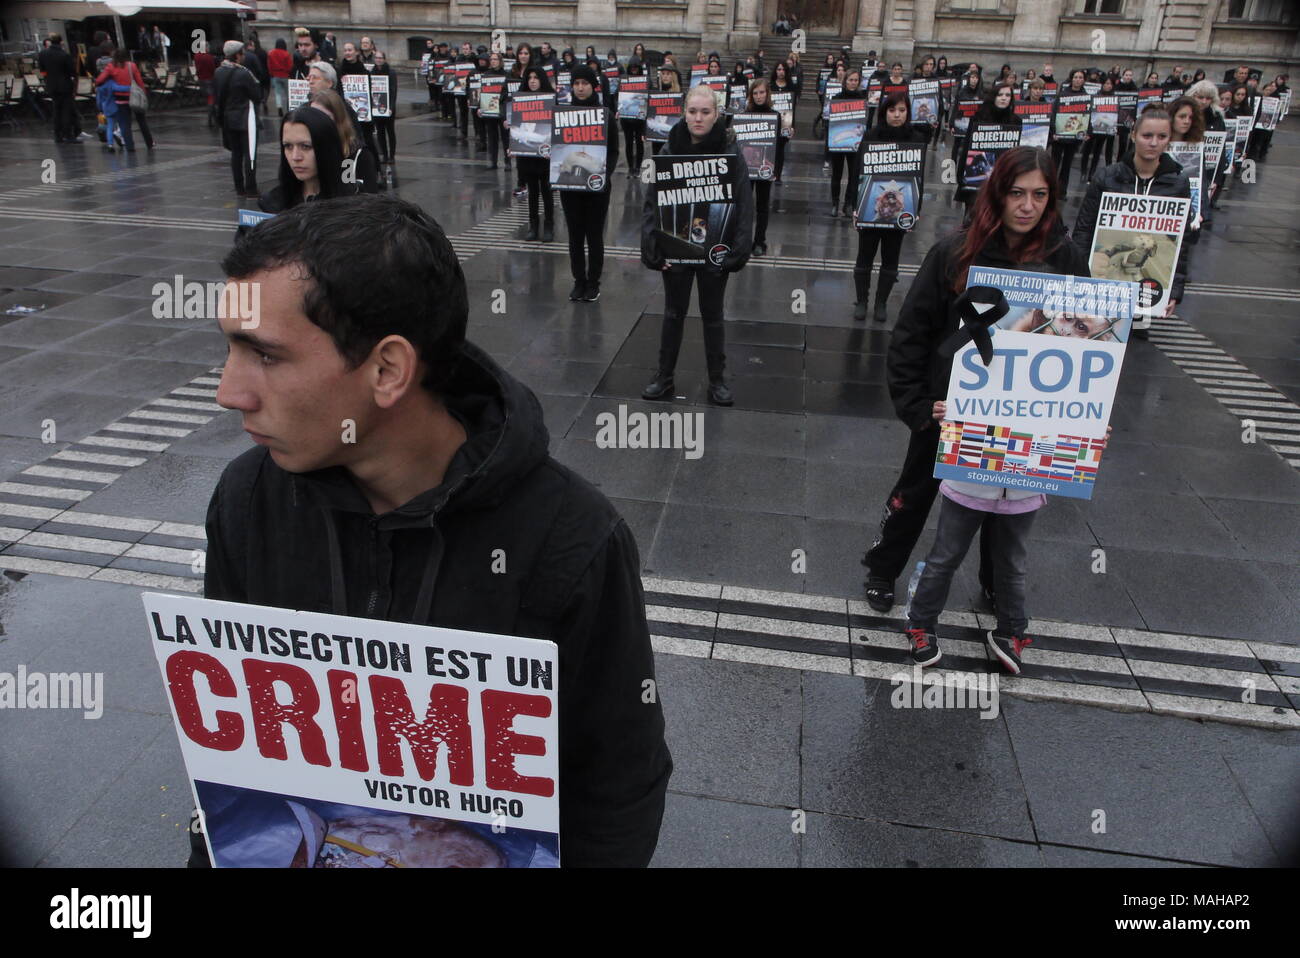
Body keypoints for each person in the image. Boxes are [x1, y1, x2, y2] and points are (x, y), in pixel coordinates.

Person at [200, 197, 672, 866]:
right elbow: (232, 752)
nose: (230, 390)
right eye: (229, 349)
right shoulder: (250, 500)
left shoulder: (571, 541)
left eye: (265, 356)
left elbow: (618, 787)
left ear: (387, 370)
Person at [864, 146, 1086, 618]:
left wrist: (1086, 421)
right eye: (1017, 193)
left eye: (1040, 195)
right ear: (997, 194)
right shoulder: (954, 252)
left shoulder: (1065, 258)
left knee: (1007, 501)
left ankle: (993, 584)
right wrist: (918, 405)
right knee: (916, 490)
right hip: (949, 407)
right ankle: (883, 567)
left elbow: (1087, 348)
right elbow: (911, 334)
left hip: (1026, 410)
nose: (1027, 206)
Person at [640, 83, 753, 407]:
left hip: (715, 249)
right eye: (693, 112)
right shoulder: (668, 150)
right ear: (684, 113)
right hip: (676, 247)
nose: (698, 118)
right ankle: (664, 376)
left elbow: (745, 203)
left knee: (713, 314)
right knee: (673, 312)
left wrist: (740, 248)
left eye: (705, 112)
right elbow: (652, 201)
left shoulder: (731, 152)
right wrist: (651, 246)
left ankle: (717, 380)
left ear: (716, 114)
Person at [1074, 106, 1191, 335]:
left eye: (1162, 137)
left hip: (1146, 287)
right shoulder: (1107, 176)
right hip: (1106, 278)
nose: (1154, 143)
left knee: (1135, 342)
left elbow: (1181, 242)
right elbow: (1084, 228)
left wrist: (1174, 290)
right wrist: (1079, 277)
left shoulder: (1178, 183)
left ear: (1169, 139)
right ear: (1133, 135)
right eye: (1147, 135)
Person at [853, 92, 927, 322]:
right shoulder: (872, 135)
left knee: (891, 257)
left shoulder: (915, 138)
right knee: (864, 256)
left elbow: (918, 179)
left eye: (902, 111)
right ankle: (862, 301)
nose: (897, 115)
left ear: (908, 113)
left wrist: (916, 210)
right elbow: (857, 173)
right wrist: (854, 207)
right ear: (884, 112)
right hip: (870, 210)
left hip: (900, 213)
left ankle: (881, 303)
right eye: (893, 110)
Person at [560, 65, 617, 302]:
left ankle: (593, 282)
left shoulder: (605, 114)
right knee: (575, 235)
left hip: (596, 187)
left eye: (584, 83)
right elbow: (558, 148)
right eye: (576, 83)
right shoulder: (562, 115)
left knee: (594, 235)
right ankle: (578, 281)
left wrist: (603, 175)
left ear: (593, 86)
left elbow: (613, 151)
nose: (580, 88)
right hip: (571, 186)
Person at [258, 104, 354, 212]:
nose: (295, 157)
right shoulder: (273, 202)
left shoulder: (353, 204)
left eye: (305, 146)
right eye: (288, 146)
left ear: (327, 148)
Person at [214, 40, 265, 196]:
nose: (244, 56)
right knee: (250, 155)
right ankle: (251, 188)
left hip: (229, 119)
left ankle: (239, 187)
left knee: (236, 155)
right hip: (245, 119)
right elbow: (256, 96)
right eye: (242, 53)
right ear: (237, 55)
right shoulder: (243, 73)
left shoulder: (218, 72)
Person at [510, 66, 555, 242]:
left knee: (547, 192)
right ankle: (533, 226)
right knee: (532, 193)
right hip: (526, 155)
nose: (533, 81)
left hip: (545, 156)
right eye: (529, 78)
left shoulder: (551, 99)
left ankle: (549, 225)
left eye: (536, 77)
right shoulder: (520, 100)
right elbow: (514, 124)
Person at [309, 89, 379, 194]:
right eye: (312, 117)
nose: (317, 122)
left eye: (324, 117)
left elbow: (370, 199)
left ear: (338, 118)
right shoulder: (306, 152)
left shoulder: (359, 156)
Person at [746, 78, 782, 255]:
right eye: (755, 93)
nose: (759, 96)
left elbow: (779, 146)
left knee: (762, 206)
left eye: (761, 92)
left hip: (765, 167)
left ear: (767, 94)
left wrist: (776, 171)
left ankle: (759, 241)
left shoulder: (775, 115)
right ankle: (744, 240)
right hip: (747, 167)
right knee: (744, 205)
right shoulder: (745, 114)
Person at [828, 69, 867, 219]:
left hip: (854, 142)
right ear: (845, 81)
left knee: (854, 174)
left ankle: (848, 204)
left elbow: (864, 122)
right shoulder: (837, 97)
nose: (853, 83)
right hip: (838, 142)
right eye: (850, 80)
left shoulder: (861, 98)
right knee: (836, 174)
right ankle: (835, 203)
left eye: (856, 80)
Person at [95, 47, 148, 152]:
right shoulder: (131, 66)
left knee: (124, 124)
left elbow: (99, 80)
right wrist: (142, 92)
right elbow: (139, 81)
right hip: (133, 96)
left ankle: (129, 146)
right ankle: (149, 142)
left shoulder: (111, 67)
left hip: (120, 98)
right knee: (141, 120)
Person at [1050, 68, 1089, 192]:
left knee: (1067, 165)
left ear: (1084, 80)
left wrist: (1088, 132)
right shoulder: (1062, 95)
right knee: (1054, 165)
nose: (1078, 80)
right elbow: (1054, 113)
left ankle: (1062, 191)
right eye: (1076, 77)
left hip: (1074, 139)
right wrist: (1053, 132)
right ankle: (1050, 190)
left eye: (1080, 77)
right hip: (1059, 137)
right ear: (1071, 79)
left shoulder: (1086, 97)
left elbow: (1088, 116)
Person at [38, 34, 77, 144]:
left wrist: (47, 78)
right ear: (60, 42)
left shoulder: (43, 54)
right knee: (66, 110)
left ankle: (57, 134)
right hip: (65, 85)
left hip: (51, 86)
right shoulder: (64, 54)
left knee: (56, 110)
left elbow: (42, 70)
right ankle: (68, 134)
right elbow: (72, 71)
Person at [1079, 74, 1116, 182]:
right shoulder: (1095, 96)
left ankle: (1092, 173)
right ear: (1102, 84)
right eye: (1106, 83)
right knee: (1087, 150)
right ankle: (1083, 172)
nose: (1108, 86)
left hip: (1104, 130)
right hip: (1092, 128)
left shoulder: (1114, 99)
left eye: (1110, 84)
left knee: (1097, 152)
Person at [619, 56, 646, 174]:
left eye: (636, 67)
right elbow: (617, 96)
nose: (634, 69)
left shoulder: (645, 80)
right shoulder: (624, 80)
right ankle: (631, 168)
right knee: (628, 142)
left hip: (640, 118)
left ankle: (638, 168)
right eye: (632, 67)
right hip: (626, 118)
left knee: (640, 143)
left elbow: (649, 96)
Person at [372, 49, 397, 165]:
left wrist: (391, 107)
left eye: (380, 58)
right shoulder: (372, 71)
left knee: (390, 131)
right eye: (376, 58)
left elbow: (393, 90)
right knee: (380, 132)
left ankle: (392, 155)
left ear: (384, 59)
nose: (378, 60)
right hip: (377, 106)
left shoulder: (391, 72)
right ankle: (384, 155)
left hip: (388, 106)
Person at [268, 38, 292, 116]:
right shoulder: (286, 54)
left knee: (278, 93)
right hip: (285, 75)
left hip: (275, 75)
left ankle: (279, 107)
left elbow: (269, 65)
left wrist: (271, 73)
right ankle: (288, 107)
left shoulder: (271, 53)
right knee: (287, 93)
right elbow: (289, 66)